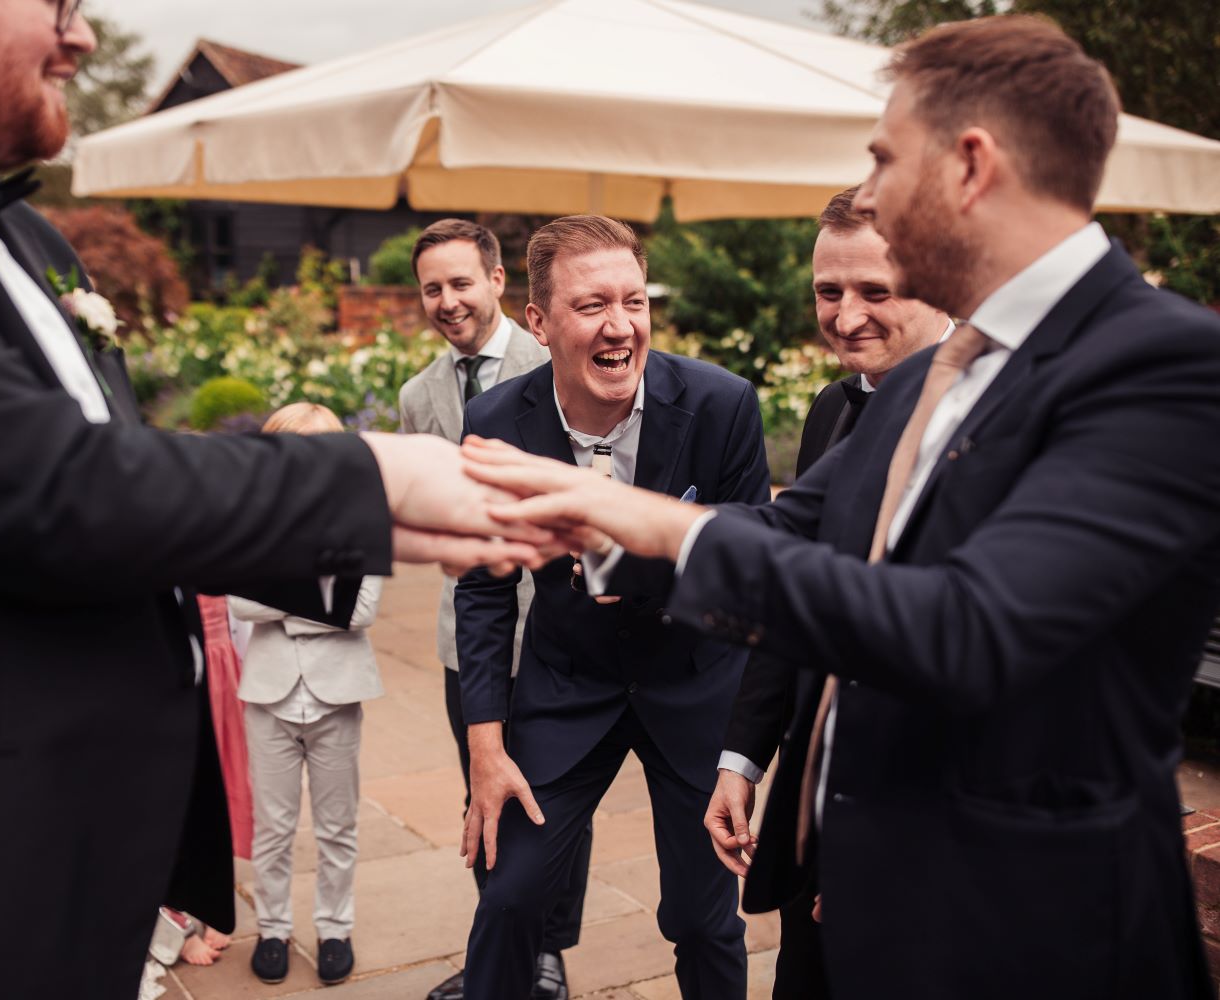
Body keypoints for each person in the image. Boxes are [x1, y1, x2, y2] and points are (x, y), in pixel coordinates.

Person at [0, 3, 548, 998]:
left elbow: (104, 462)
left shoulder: (21, 231)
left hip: (52, 852)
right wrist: (364, 475)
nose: (81, 40)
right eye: (60, 5)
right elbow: (39, 483)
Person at [464, 16, 1220, 1000]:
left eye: (881, 158)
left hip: (1023, 927)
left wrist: (655, 521)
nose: (869, 193)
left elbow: (970, 625)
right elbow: (786, 533)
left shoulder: (1165, 365)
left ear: (971, 164)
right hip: (846, 898)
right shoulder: (928, 376)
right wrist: (587, 518)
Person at [456, 215, 771, 1000]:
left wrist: (651, 560)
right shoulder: (495, 424)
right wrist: (486, 749)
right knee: (510, 896)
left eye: (635, 301)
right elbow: (486, 589)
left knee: (702, 921)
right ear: (538, 320)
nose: (620, 325)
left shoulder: (724, 404)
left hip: (696, 684)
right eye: (593, 304)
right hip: (565, 687)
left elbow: (755, 569)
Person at [710, 186, 949, 1000]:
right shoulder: (829, 411)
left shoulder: (990, 420)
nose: (846, 317)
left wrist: (881, 845)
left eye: (874, 292)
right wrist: (743, 759)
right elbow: (794, 599)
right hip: (817, 803)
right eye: (828, 291)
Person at [398, 219, 586, 1000]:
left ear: (499, 280)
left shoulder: (555, 362)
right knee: (485, 793)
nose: (448, 301)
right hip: (465, 638)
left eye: (460, 283)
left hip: (554, 634)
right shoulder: (420, 396)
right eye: (433, 289)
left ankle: (548, 951)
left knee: (555, 800)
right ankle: (500, 952)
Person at [232, 402, 385, 987]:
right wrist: (320, 596)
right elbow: (240, 604)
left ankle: (334, 928)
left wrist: (282, 596)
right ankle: (271, 928)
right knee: (272, 827)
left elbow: (363, 610)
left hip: (337, 694)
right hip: (269, 695)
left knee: (337, 824)